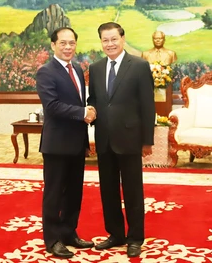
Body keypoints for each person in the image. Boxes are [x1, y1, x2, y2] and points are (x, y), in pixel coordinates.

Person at [87, 22, 155, 258]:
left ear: (123, 39)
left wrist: (147, 141)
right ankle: (115, 234)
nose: (110, 44)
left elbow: (148, 105)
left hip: (130, 139)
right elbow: (95, 101)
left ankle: (135, 238)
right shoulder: (95, 68)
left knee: (133, 191)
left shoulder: (138, 66)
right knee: (108, 190)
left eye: (113, 39)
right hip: (104, 139)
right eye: (105, 40)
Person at [36, 27, 96, 259]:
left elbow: (78, 100)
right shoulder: (46, 72)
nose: (68, 47)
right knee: (54, 194)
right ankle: (52, 240)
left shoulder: (78, 69)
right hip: (57, 143)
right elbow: (51, 107)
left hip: (76, 142)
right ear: (53, 45)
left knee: (73, 192)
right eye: (63, 43)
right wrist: (83, 112)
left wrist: (89, 110)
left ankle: (69, 233)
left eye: (72, 43)